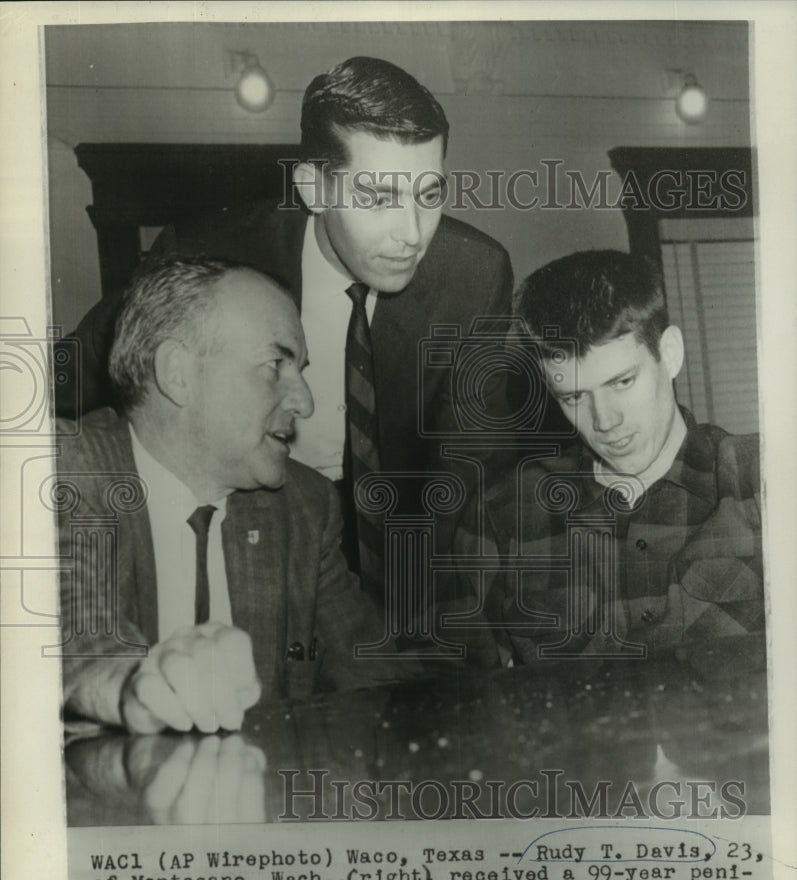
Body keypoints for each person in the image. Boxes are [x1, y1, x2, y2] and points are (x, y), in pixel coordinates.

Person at [55, 56, 555, 596]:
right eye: (378, 197)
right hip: (251, 535)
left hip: (408, 549)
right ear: (314, 188)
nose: (411, 233)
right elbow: (68, 387)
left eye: (429, 195)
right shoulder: (204, 257)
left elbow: (474, 461)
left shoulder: (473, 272)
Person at [56, 257, 404, 735]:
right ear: (177, 373)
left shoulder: (305, 506)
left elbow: (381, 687)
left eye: (300, 371)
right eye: (275, 365)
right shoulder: (63, 468)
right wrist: (135, 684)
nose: (305, 402)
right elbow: (67, 624)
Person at [446, 250, 763, 668]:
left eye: (623, 382)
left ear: (669, 353)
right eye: (574, 397)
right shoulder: (500, 514)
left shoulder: (764, 479)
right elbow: (473, 701)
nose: (605, 420)